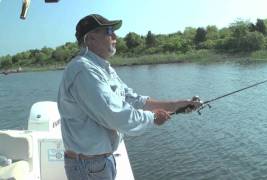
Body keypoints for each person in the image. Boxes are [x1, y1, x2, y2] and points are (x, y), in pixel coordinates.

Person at [57, 14, 202, 180]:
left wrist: (176, 105)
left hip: (101, 162)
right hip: (88, 167)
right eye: (109, 31)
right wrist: (153, 117)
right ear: (90, 38)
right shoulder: (83, 70)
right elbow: (116, 115)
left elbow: (133, 99)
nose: (115, 36)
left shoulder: (103, 68)